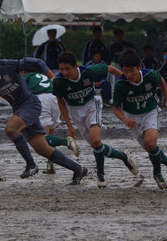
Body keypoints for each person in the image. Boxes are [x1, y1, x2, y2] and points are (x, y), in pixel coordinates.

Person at [0, 44, 88, 184]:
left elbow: (38, 63)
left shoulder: (8, 65)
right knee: (42, 149)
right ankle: (78, 169)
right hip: (19, 110)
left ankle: (31, 165)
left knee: (10, 129)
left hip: (31, 104)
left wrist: (54, 81)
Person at [53, 51, 138, 188]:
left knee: (96, 140)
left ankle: (101, 176)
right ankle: (124, 157)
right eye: (62, 69)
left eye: (67, 68)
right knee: (97, 146)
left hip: (93, 105)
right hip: (76, 113)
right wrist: (69, 125)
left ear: (75, 66)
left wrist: (123, 78)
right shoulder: (58, 81)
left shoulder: (89, 71)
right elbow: (61, 101)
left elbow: (109, 69)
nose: (65, 72)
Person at [112, 48, 167, 189]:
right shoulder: (120, 85)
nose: (128, 74)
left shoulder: (151, 75)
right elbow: (116, 109)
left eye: (132, 70)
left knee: (150, 142)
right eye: (125, 71)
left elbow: (162, 82)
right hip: (132, 118)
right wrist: (125, 120)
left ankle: (157, 173)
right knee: (151, 149)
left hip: (150, 112)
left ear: (139, 67)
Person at [23, 71, 79, 174]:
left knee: (42, 139)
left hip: (41, 100)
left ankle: (66, 142)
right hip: (54, 98)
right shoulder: (43, 75)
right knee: (51, 134)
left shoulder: (26, 76)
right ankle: (50, 165)